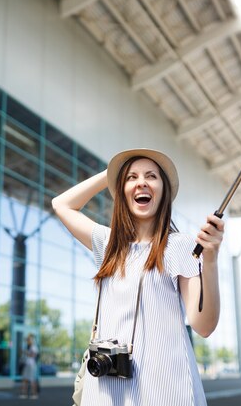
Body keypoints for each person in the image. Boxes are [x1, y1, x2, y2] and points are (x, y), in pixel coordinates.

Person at [51, 148, 224, 406]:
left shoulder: (180, 245)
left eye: (151, 176)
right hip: (107, 391)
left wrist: (210, 260)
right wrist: (112, 173)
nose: (141, 182)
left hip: (164, 390)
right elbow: (61, 204)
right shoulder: (108, 243)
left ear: (163, 191)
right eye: (131, 177)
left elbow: (204, 325)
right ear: (121, 191)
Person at [20, 333, 39, 399]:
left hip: (31, 365)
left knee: (32, 380)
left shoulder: (34, 347)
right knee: (24, 379)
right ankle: (24, 394)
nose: (28, 341)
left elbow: (33, 355)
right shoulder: (27, 346)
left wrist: (25, 352)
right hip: (27, 365)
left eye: (29, 340)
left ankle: (34, 394)